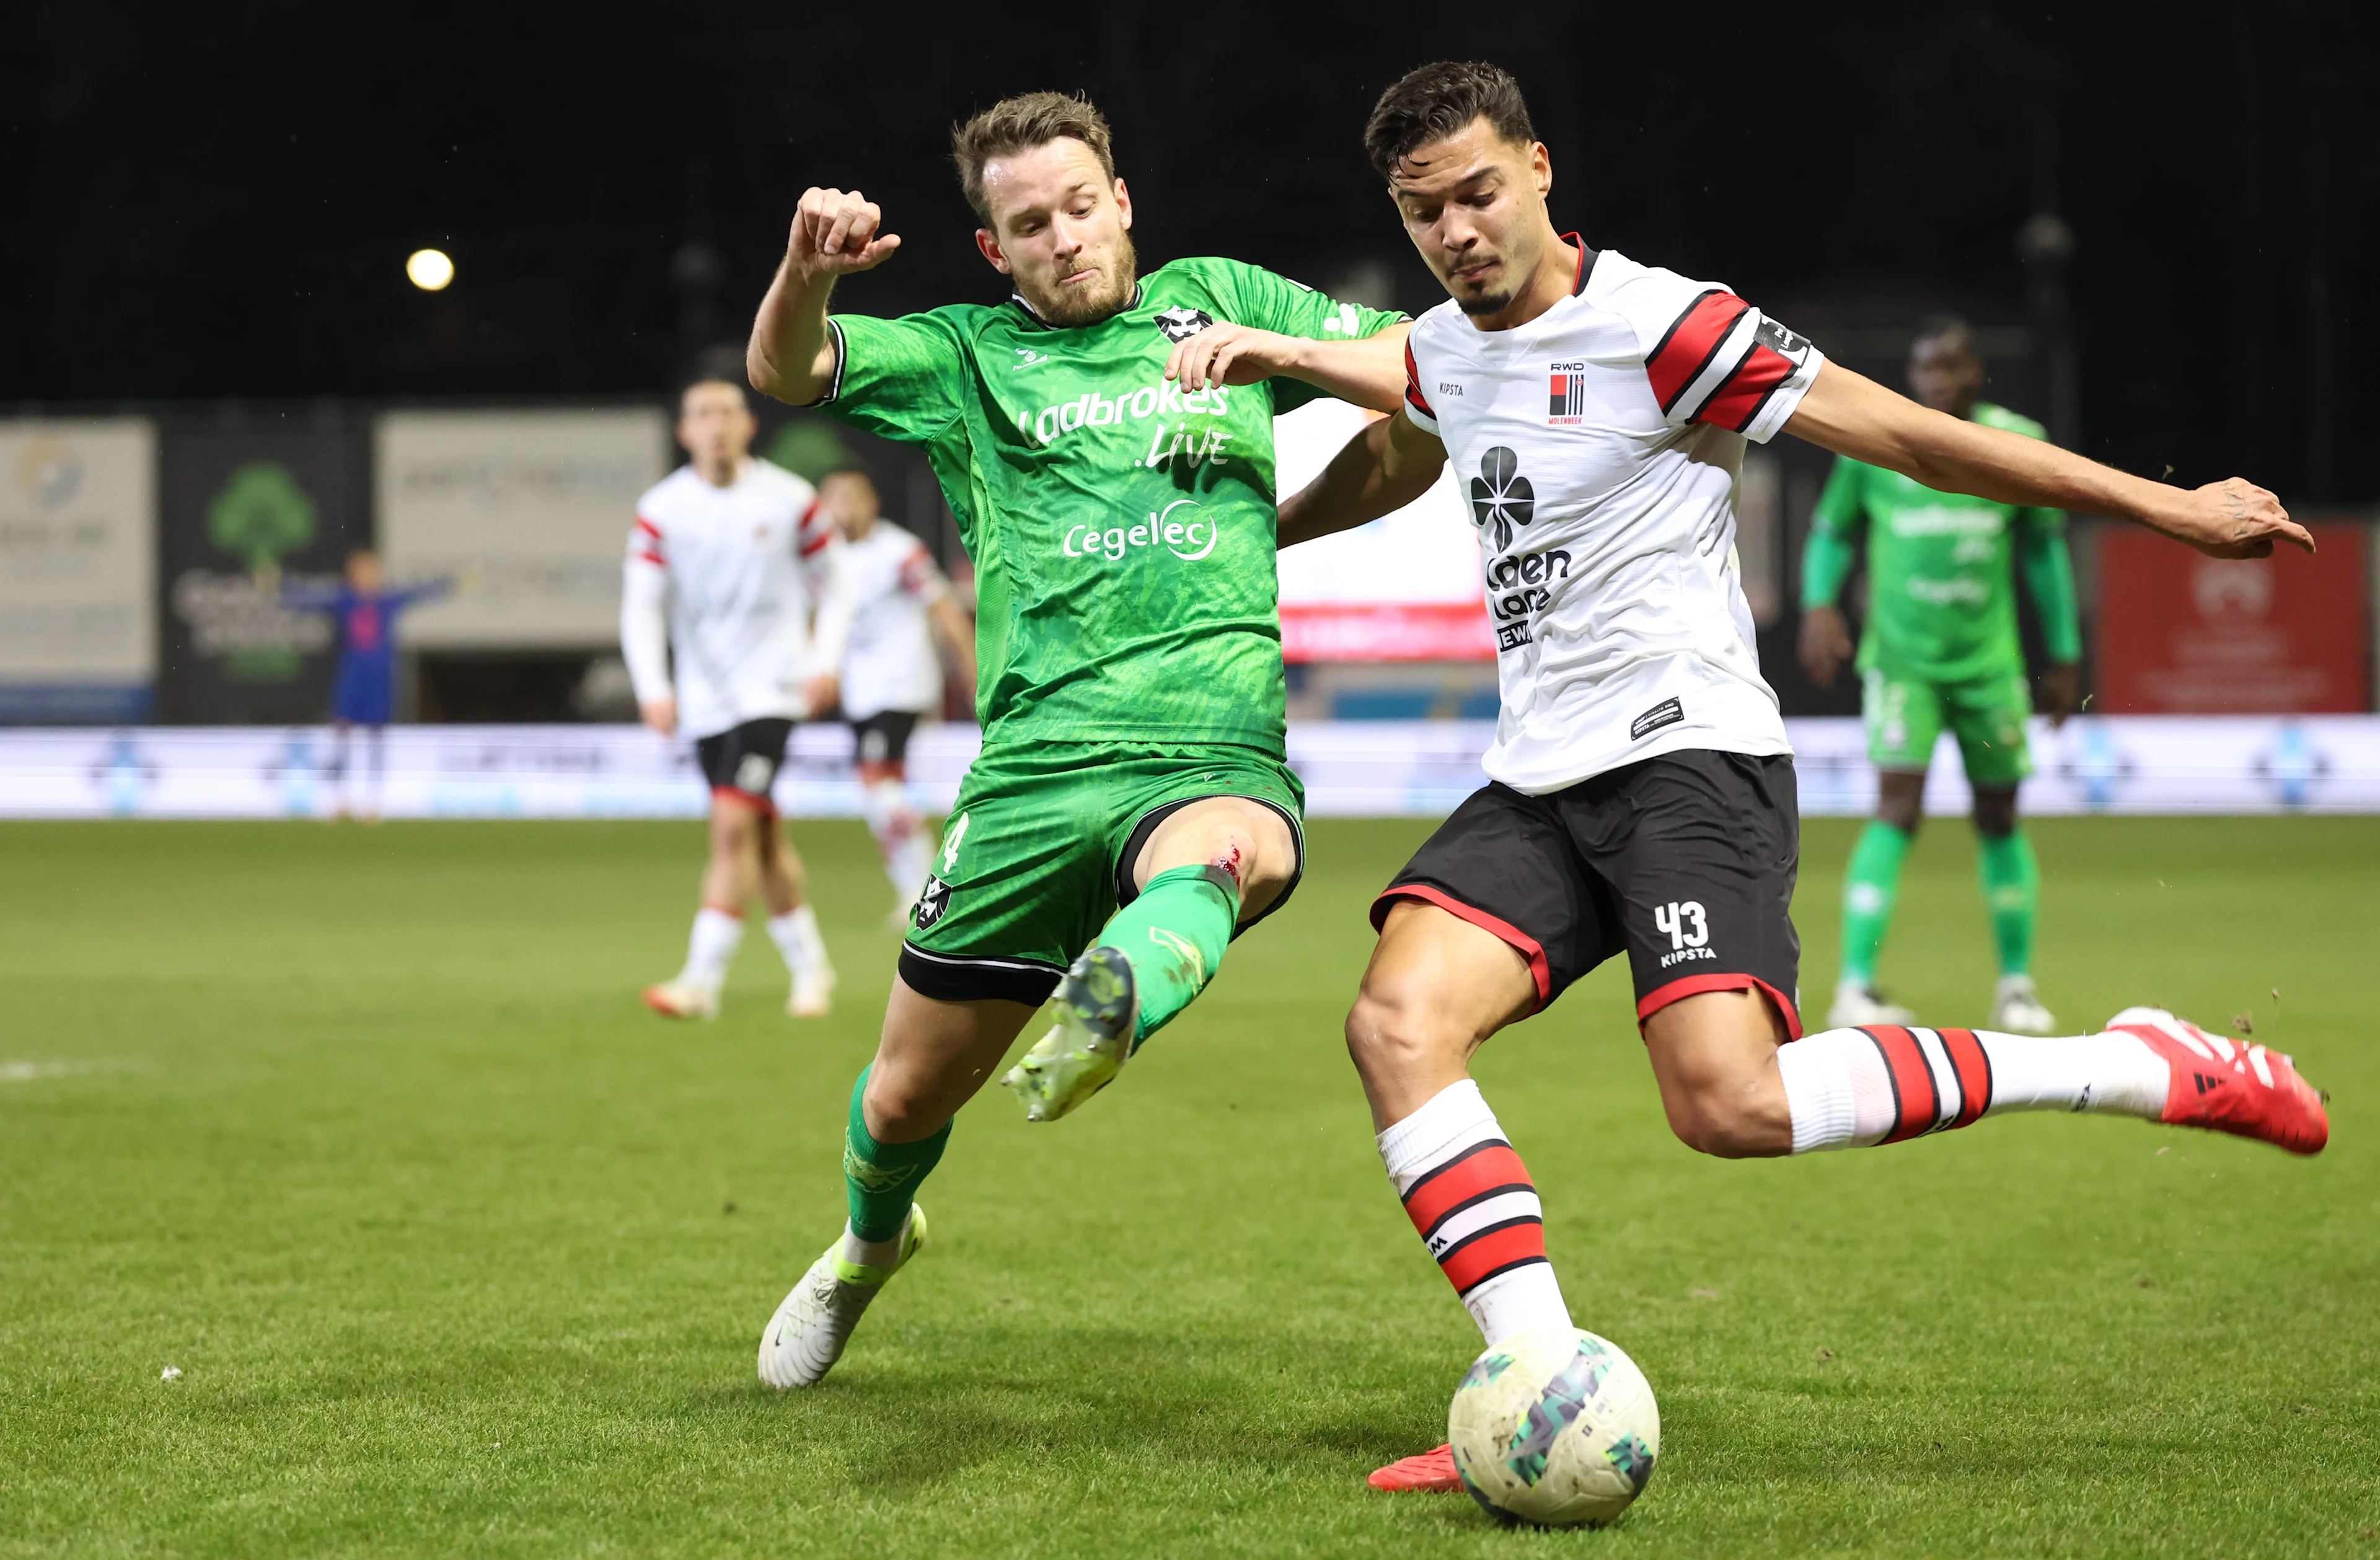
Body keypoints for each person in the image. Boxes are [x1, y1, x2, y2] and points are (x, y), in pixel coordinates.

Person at [1274, 60, 2329, 1494]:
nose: (1455, 231)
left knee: (1727, 1106)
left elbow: (1908, 435)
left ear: (1536, 171)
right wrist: (1263, 502)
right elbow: (1404, 402)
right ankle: (1538, 1380)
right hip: (1538, 776)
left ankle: (2134, 1062)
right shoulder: (1444, 342)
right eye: (1421, 214)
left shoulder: (1667, 326)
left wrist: (2169, 510)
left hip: (1688, 760)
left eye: (1474, 193)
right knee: (1395, 1024)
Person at [742, 89, 1409, 1390]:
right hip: (1036, 776)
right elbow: (784, 372)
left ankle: (1119, 992)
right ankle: (871, 1250)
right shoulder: (965, 356)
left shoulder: (1217, 295)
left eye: (1079, 207)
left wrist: (1281, 363)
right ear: (994, 248)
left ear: (1123, 201)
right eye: (1027, 224)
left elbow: (1415, 382)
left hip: (1208, 747)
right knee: (898, 1104)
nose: (1061, 238)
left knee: (1234, 850)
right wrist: (803, 275)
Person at [1799, 319, 2081, 1034]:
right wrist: (1818, 604)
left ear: (1974, 374)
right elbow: (1833, 531)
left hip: (1990, 669)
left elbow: (2045, 550)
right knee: (1896, 805)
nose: (1935, 381)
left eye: (1949, 368)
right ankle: (1856, 987)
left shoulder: (2016, 441)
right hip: (1903, 667)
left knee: (1999, 814)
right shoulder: (1878, 441)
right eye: (1924, 369)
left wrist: (2066, 650)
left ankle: (2016, 986)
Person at [623, 378, 853, 1022]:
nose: (716, 425)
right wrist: (655, 686)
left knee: (730, 828)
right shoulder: (662, 509)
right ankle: (813, 972)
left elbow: (836, 586)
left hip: (773, 694)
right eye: (702, 414)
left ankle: (701, 981)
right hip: (705, 700)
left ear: (748, 425)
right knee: (763, 837)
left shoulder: (789, 499)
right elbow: (641, 605)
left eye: (727, 412)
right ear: (684, 432)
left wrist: (823, 661)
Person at [815, 465, 979, 931]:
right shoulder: (827, 559)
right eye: (833, 500)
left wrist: (971, 668)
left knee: (878, 786)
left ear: (872, 503)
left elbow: (945, 609)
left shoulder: (898, 552)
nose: (841, 509)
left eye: (850, 498)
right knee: (878, 795)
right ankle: (913, 888)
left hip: (902, 685)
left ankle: (930, 884)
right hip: (859, 691)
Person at [273, 550, 448, 821]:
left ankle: (373, 801)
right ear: (353, 574)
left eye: (372, 570)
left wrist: (449, 584)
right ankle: (337, 798)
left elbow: (420, 593)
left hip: (379, 679)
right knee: (342, 736)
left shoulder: (388, 601)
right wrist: (281, 586)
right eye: (362, 570)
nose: (368, 576)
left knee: (377, 738)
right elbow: (310, 599)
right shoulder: (345, 600)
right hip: (353, 677)